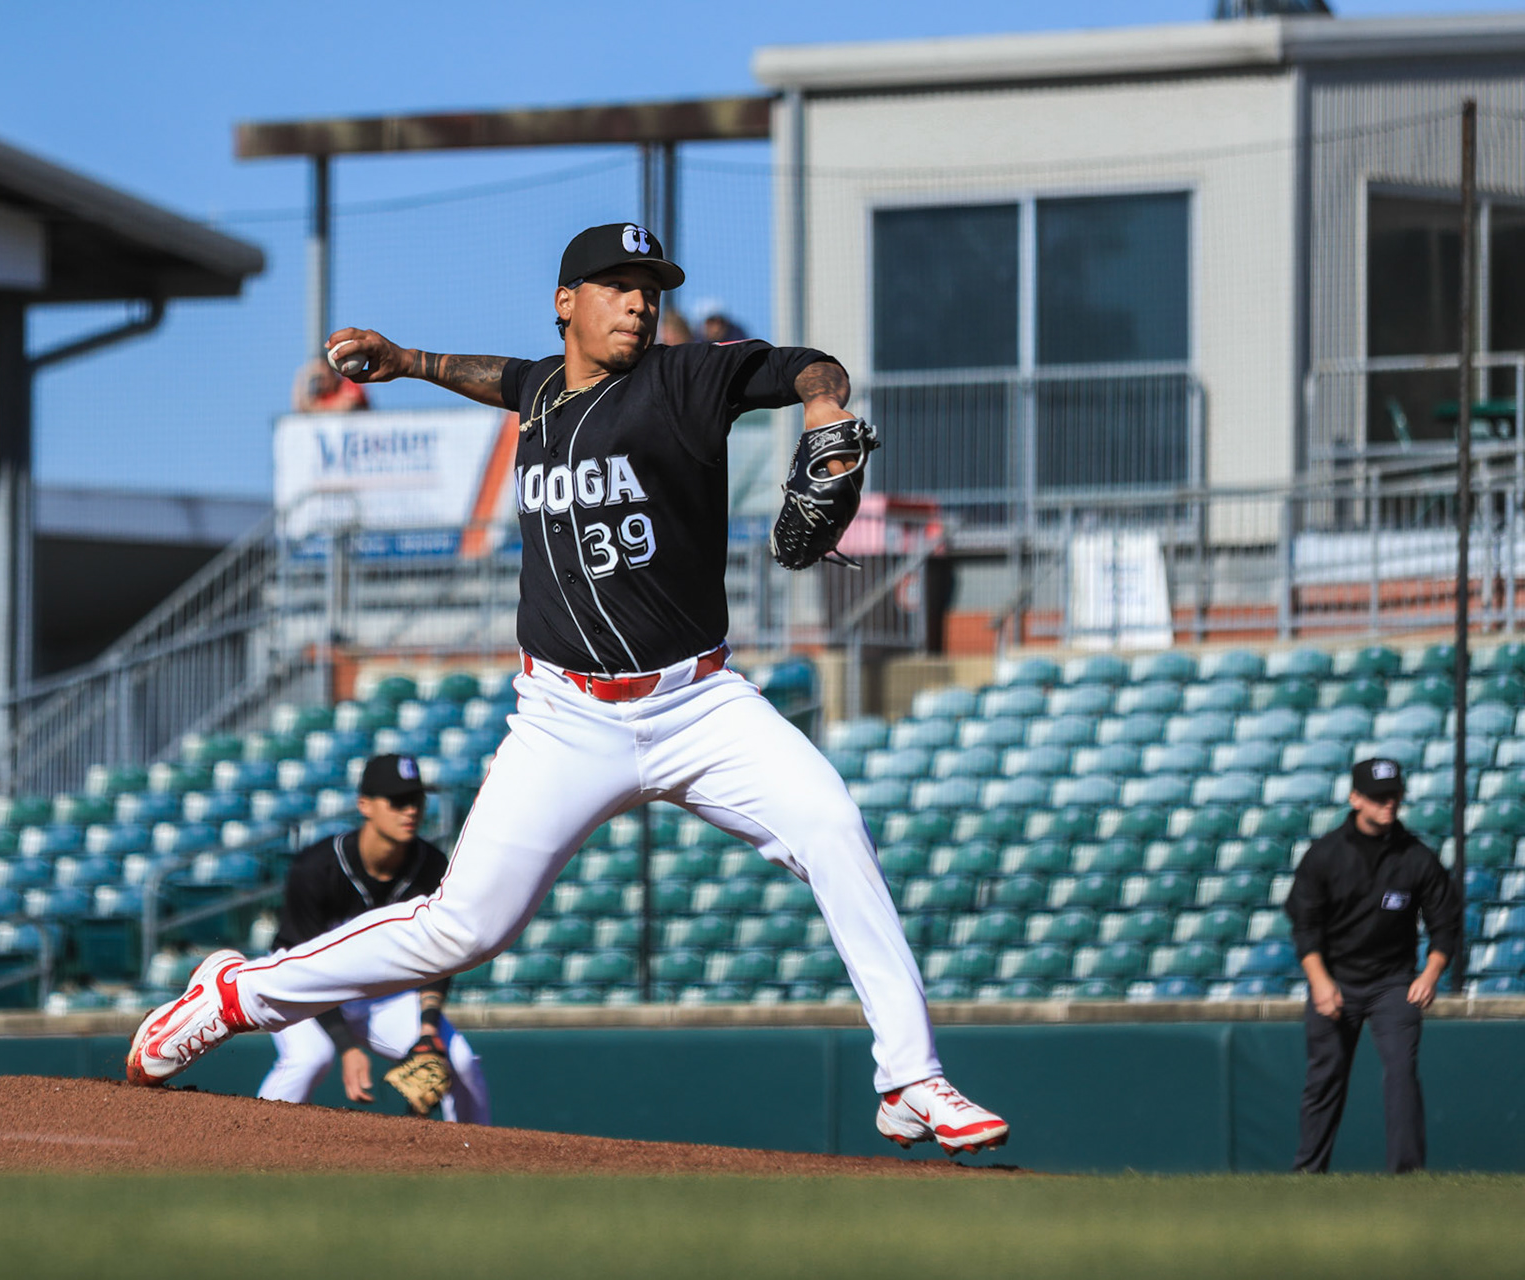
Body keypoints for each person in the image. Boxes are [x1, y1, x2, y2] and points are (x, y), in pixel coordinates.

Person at [129, 222, 1008, 1156]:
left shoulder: (686, 378)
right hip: (565, 716)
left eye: (651, 286)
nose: (639, 300)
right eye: (617, 284)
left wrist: (827, 414)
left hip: (698, 705)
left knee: (834, 829)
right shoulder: (543, 390)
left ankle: (912, 1080)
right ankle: (236, 996)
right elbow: (499, 377)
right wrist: (409, 360)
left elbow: (811, 366)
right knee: (460, 929)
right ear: (566, 302)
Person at [256, 754, 490, 1123]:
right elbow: (299, 963)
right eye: (397, 801)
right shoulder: (316, 869)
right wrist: (347, 1048)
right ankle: (255, 1142)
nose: (410, 810)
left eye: (416, 799)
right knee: (310, 1059)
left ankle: (478, 1164)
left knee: (459, 1060)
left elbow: (440, 956)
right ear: (364, 805)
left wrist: (428, 1029)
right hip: (297, 986)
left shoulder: (431, 867)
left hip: (376, 994)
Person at [1286, 757, 1462, 1173]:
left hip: (1392, 982)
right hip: (1336, 979)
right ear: (1355, 799)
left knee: (1402, 1070)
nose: (1388, 804)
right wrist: (1320, 982)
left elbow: (1445, 923)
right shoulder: (1325, 854)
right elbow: (1305, 924)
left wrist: (1431, 972)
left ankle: (1406, 1173)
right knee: (1324, 1078)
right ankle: (1307, 1174)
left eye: (1394, 796)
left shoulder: (1416, 857)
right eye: (1379, 797)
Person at [292, 357, 371, 413]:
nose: (320, 382)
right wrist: (302, 376)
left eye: (323, 377)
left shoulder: (349, 383)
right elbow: (302, 407)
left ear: (332, 373)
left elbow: (347, 406)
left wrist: (317, 409)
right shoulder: (321, 395)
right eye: (317, 378)